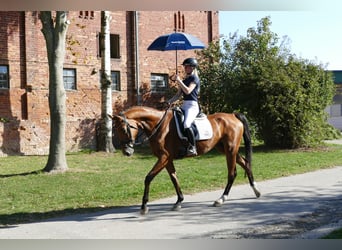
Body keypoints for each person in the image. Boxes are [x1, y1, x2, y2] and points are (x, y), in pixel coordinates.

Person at [168, 57, 200, 156]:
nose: (185, 68)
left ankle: (192, 147)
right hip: (184, 105)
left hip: (192, 106)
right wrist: (169, 101)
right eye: (185, 66)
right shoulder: (186, 79)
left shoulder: (195, 78)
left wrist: (179, 80)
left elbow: (188, 91)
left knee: (186, 124)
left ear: (193, 67)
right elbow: (178, 95)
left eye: (187, 66)